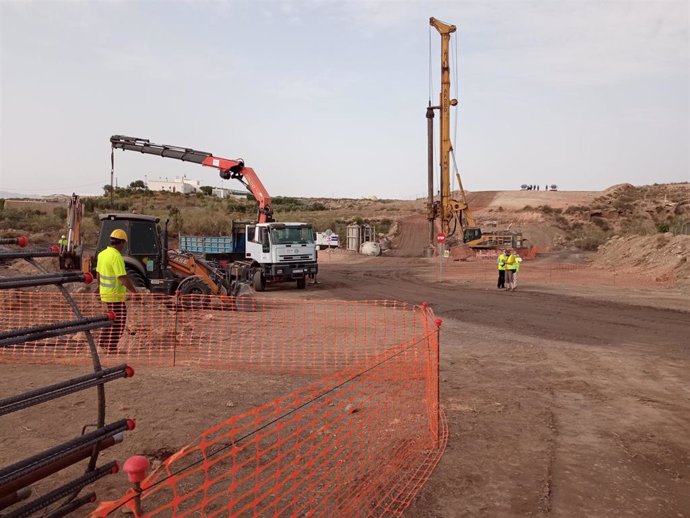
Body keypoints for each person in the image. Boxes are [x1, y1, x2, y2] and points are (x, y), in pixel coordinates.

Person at [96, 229, 136, 352]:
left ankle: (102, 343)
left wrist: (99, 289)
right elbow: (122, 277)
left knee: (110, 318)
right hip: (115, 295)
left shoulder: (102, 254)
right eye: (124, 243)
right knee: (119, 321)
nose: (124, 246)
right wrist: (135, 292)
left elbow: (98, 274)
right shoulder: (116, 256)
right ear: (121, 242)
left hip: (106, 294)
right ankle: (111, 347)